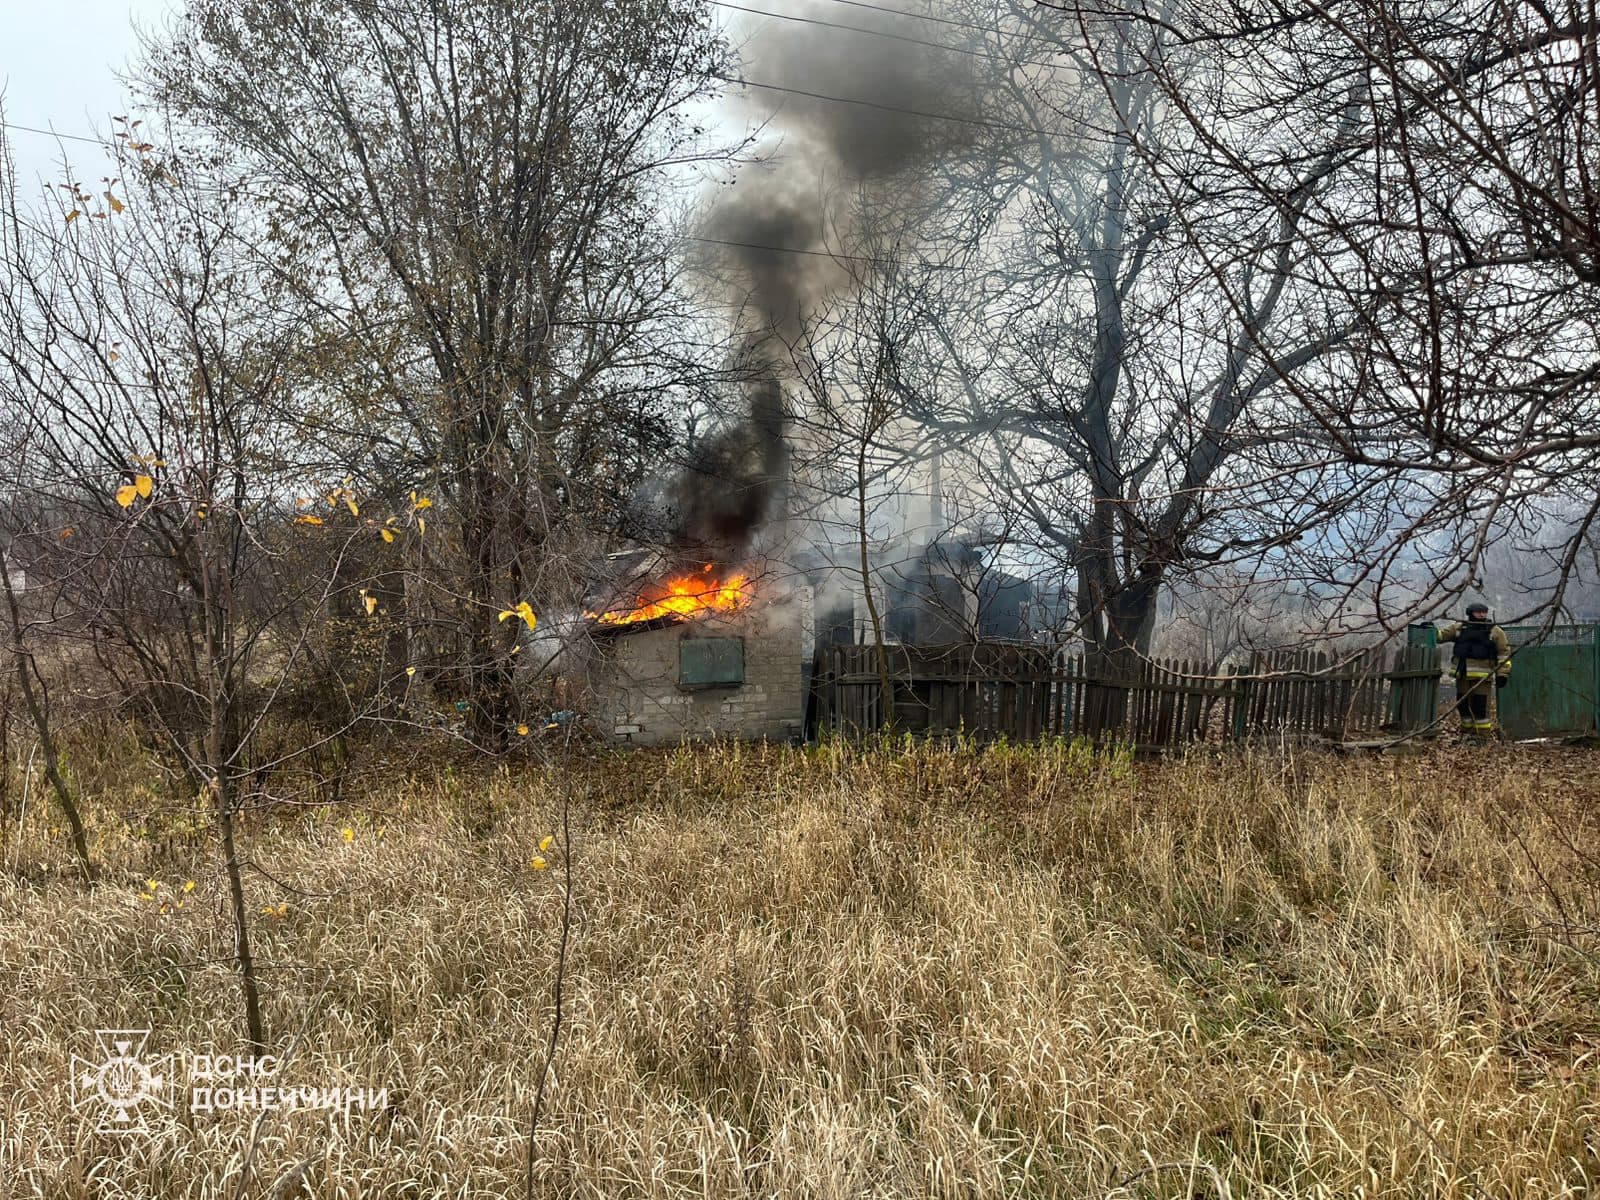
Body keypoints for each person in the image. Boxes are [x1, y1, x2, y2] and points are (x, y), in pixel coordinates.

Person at [1433, 603, 1512, 739]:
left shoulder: (1495, 631)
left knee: (1480, 707)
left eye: (1484, 612)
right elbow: (1440, 636)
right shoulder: (1459, 628)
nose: (1482, 614)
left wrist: (1502, 674)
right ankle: (1466, 734)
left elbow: (1504, 653)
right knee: (1463, 705)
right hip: (1462, 675)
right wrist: (1429, 630)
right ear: (1470, 613)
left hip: (1483, 677)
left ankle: (1482, 736)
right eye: (1478, 612)